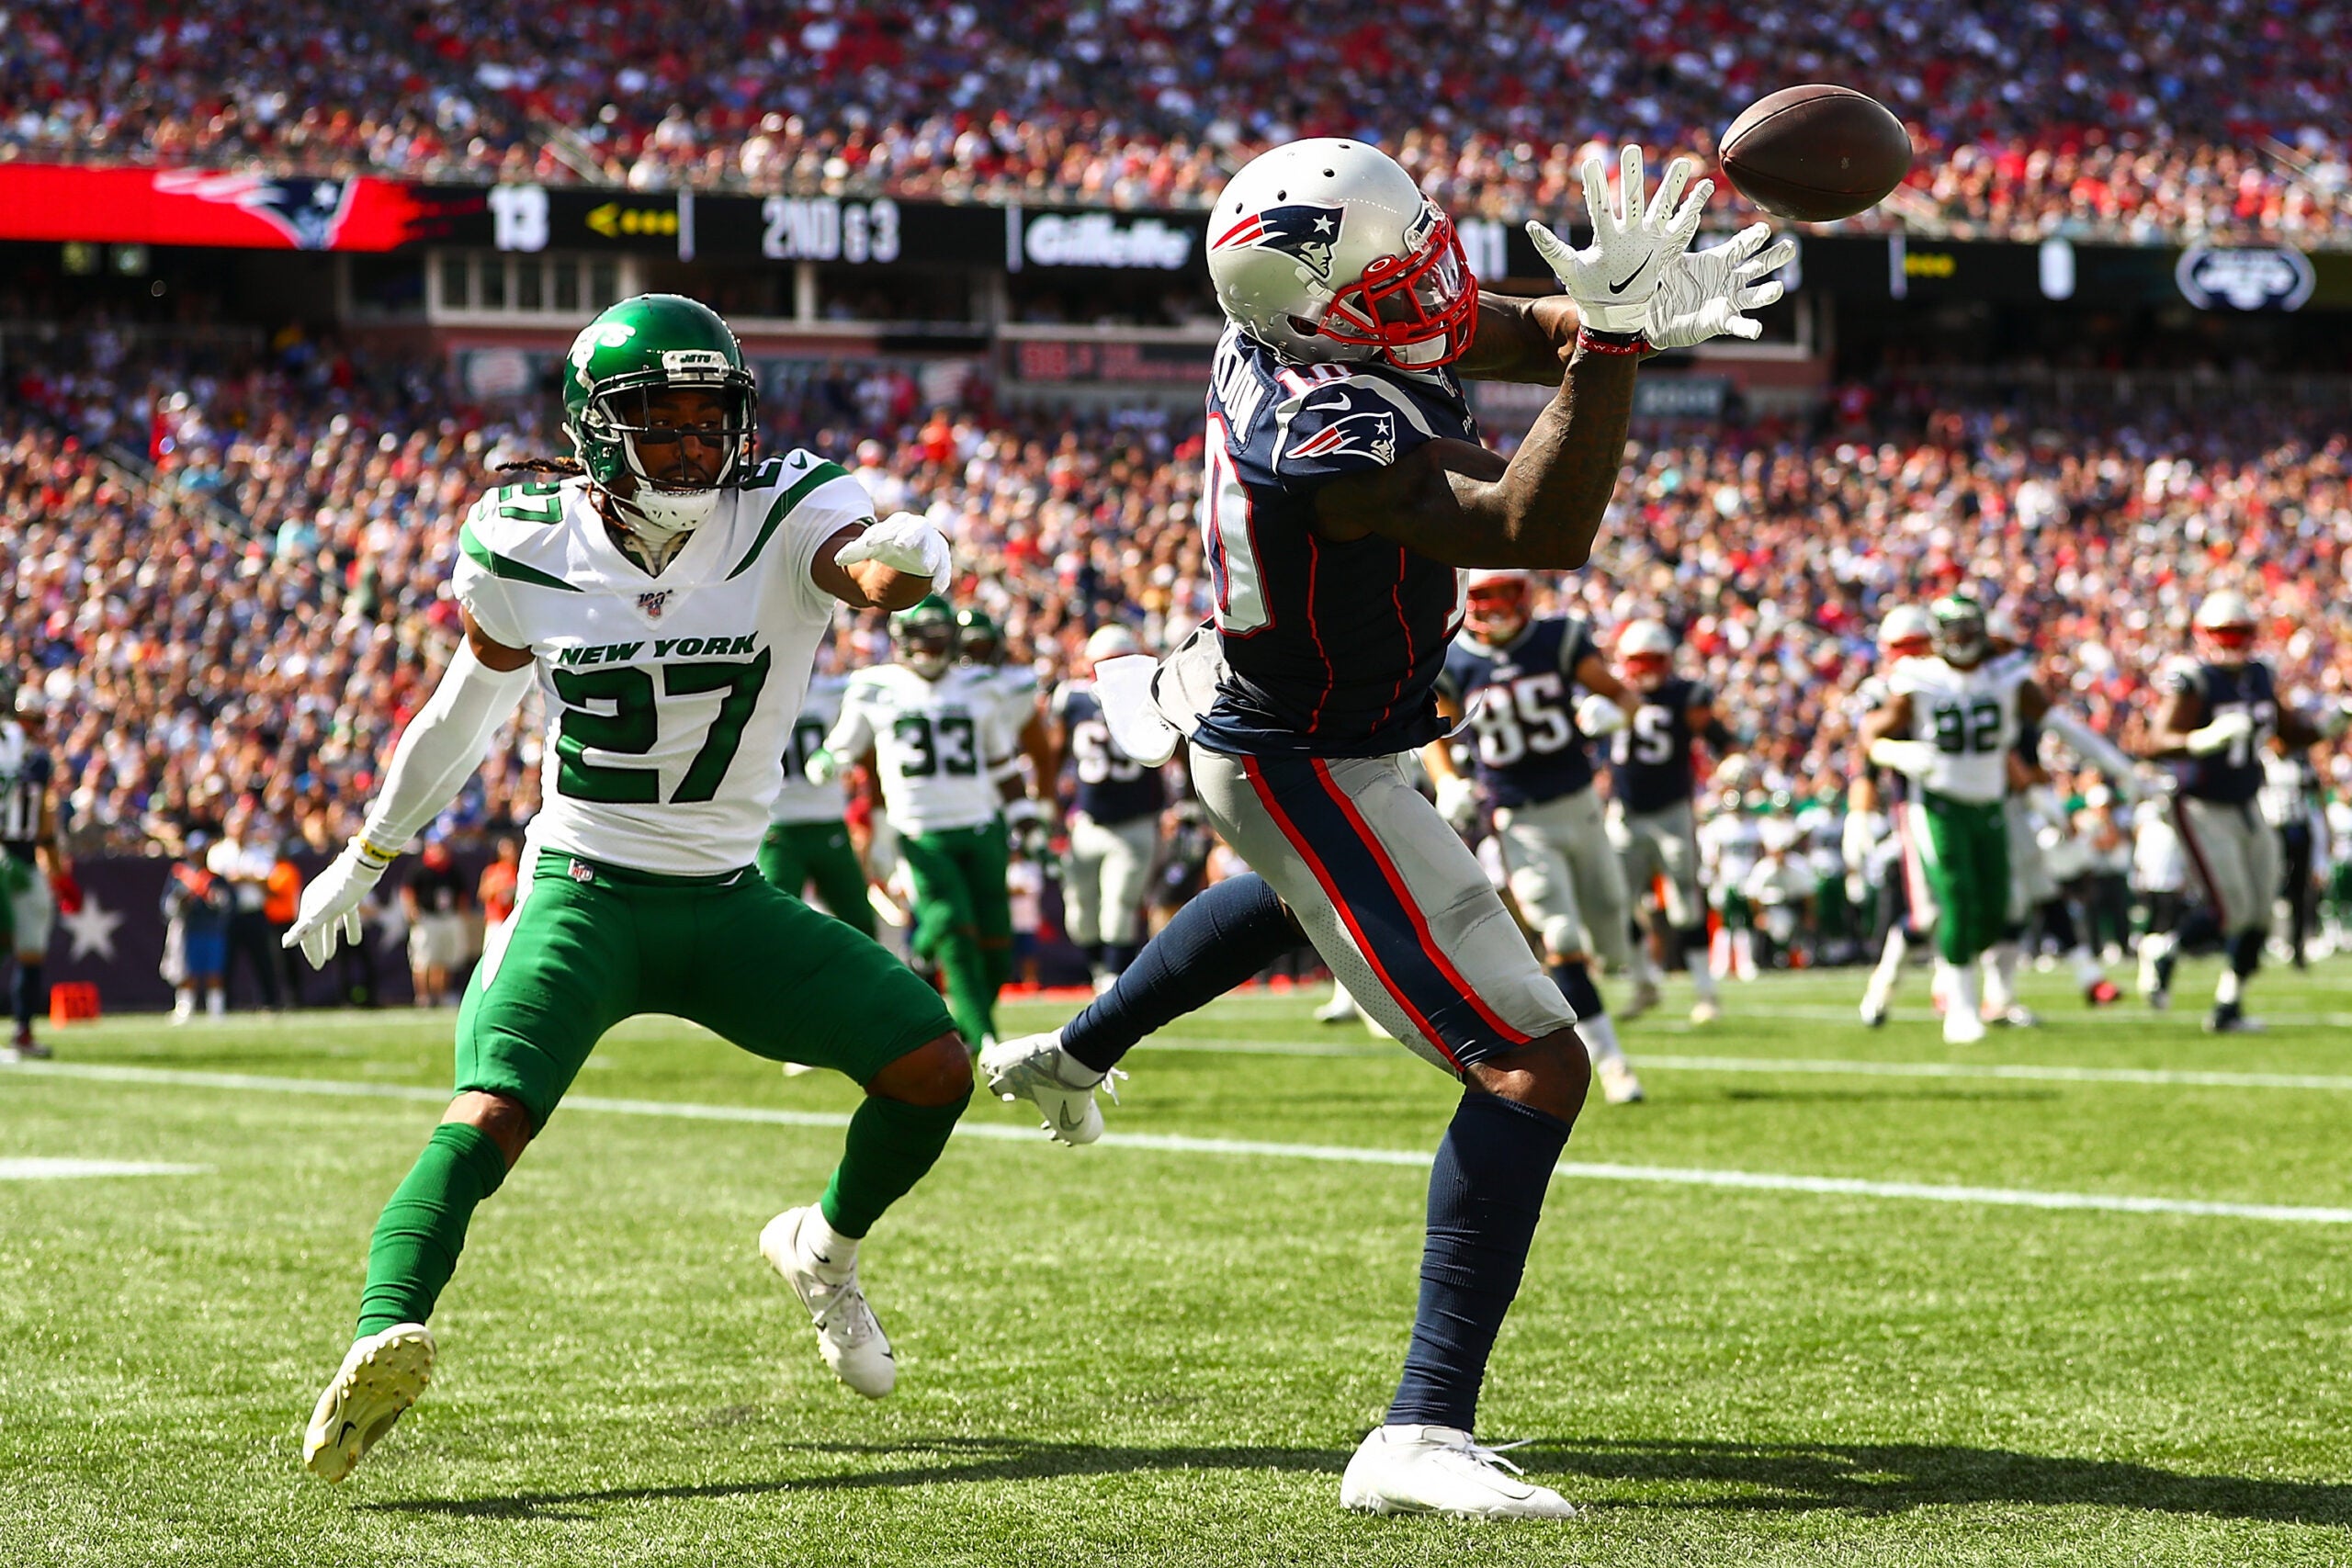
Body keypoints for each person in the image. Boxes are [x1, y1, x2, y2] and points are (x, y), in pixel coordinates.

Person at [982, 140, 1788, 1517]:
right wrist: (1611, 351)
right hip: (1309, 753)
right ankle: (1417, 1431)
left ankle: (1073, 1050)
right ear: (1323, 305)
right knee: (1529, 1060)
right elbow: (1534, 524)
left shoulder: (1320, 307)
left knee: (1310, 899)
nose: (1433, 277)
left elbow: (1492, 319)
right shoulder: (1322, 435)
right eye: (1397, 269)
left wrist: (1608, 312)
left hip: (1325, 721)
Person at [281, 293, 969, 1484]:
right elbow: (464, 710)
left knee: (931, 1067)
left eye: (716, 422)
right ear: (596, 430)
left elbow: (858, 570)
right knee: (491, 1107)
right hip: (585, 887)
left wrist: (907, 560)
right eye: (666, 422)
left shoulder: (788, 506)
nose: (699, 448)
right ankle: (379, 1335)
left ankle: (824, 1246)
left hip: (725, 895)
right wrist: (373, 846)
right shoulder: (523, 535)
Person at [1861, 593, 2139, 1043]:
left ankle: (1969, 988)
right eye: (1953, 632)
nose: (1962, 640)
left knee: (1995, 910)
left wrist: (2121, 768)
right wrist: (1895, 751)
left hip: (1990, 804)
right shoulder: (1918, 678)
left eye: (1969, 630)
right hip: (1937, 806)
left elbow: (2060, 726)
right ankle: (1961, 1008)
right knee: (1954, 899)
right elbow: (1872, 733)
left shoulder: (2006, 677)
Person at [1424, 569, 1645, 1105]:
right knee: (1562, 939)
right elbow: (1436, 732)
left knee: (1612, 921)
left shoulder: (1557, 638)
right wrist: (1448, 780)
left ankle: (1640, 972)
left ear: (1524, 595)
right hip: (1518, 817)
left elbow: (1625, 696)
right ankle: (1611, 1062)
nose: (1495, 607)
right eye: (1484, 596)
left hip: (1580, 804)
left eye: (1503, 594)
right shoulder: (1454, 660)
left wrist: (1614, 715)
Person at [811, 596, 1022, 1051]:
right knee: (955, 929)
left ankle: (936, 974)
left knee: (998, 947)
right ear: (903, 641)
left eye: (941, 639)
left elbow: (1003, 762)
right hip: (921, 831)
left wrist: (1026, 816)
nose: (933, 648)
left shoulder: (978, 683)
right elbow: (845, 742)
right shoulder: (876, 686)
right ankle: (984, 1039)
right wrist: (829, 759)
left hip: (981, 825)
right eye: (924, 639)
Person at [2138, 590, 2341, 1031]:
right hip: (2201, 804)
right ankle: (2163, 947)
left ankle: (2229, 1004)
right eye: (2223, 634)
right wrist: (2206, 738)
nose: (2232, 642)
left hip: (2249, 801)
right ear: (2204, 635)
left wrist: (2332, 723)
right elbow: (2154, 742)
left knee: (2261, 912)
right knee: (2231, 907)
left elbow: (2290, 733)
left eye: (2240, 633)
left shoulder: (2260, 675)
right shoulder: (2193, 678)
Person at [1605, 617, 1736, 1024]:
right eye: (1637, 661)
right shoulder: (1608, 693)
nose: (1644, 669)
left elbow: (1720, 738)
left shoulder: (1684, 695)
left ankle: (1706, 992)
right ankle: (1645, 983)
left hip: (1672, 811)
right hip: (1625, 812)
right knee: (1617, 901)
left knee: (1685, 901)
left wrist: (1733, 761)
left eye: (1652, 660)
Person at [1049, 624, 1167, 991]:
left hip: (1135, 821)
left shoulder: (1152, 695)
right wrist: (1048, 803)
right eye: (1104, 664)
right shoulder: (1072, 699)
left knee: (1120, 905)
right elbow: (1053, 754)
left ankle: (1115, 980)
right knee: (1080, 914)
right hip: (1087, 821)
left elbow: (1175, 752)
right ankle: (1100, 971)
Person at [759, 670, 876, 937]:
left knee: (860, 921)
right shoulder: (754, 684)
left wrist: (840, 751)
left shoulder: (838, 691)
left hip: (828, 822)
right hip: (777, 827)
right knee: (771, 926)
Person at [0, 678, 61, 1060]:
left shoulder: (33, 757)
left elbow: (41, 814)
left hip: (20, 857)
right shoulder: (26, 754)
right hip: (9, 856)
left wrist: (53, 864)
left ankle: (23, 1030)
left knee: (31, 947)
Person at [209, 802, 283, 1012]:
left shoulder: (260, 852)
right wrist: (250, 877)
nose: (241, 830)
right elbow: (219, 880)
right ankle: (224, 1005)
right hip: (227, 914)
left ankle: (270, 1003)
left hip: (254, 913)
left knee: (263, 961)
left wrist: (244, 877)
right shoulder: (218, 851)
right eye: (237, 825)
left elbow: (267, 883)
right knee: (225, 961)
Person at [162, 832, 230, 1023]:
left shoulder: (215, 878)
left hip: (211, 929)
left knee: (214, 972)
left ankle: (216, 1012)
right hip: (188, 930)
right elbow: (167, 906)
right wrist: (182, 899)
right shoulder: (179, 875)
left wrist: (213, 898)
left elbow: (227, 905)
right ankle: (185, 1009)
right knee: (186, 972)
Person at [401, 839, 471, 1007]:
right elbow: (408, 891)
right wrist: (411, 910)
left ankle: (440, 995)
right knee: (423, 959)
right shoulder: (420, 868)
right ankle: (423, 997)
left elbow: (462, 894)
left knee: (445, 960)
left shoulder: (452, 869)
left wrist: (462, 914)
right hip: (427, 918)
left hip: (447, 917)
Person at [476, 836, 522, 937]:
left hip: (514, 919)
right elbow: (482, 895)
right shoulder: (492, 871)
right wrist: (498, 888)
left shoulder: (519, 872)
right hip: (496, 920)